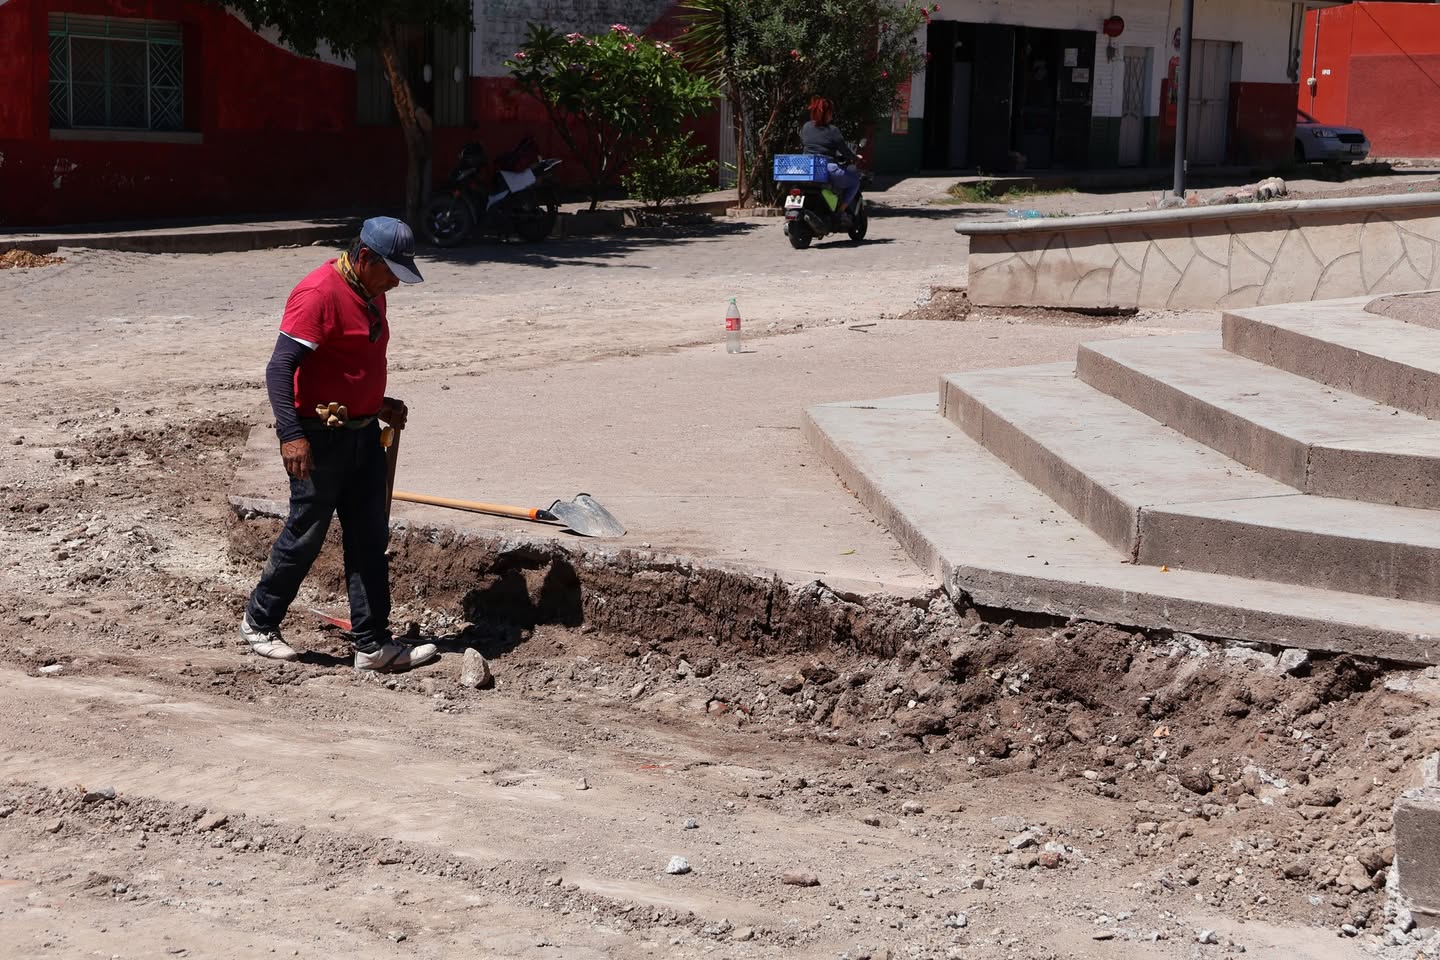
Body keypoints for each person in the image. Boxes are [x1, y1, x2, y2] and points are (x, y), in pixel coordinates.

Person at [239, 216, 439, 673]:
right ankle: (260, 620)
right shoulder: (318, 293)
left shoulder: (372, 292)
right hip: (318, 437)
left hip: (363, 432)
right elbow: (279, 368)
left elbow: (350, 361)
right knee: (306, 533)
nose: (395, 283)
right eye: (391, 271)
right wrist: (291, 435)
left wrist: (378, 403)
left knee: (370, 537)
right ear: (365, 257)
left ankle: (371, 644)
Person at [800, 96, 861, 224]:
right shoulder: (832, 130)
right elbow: (845, 151)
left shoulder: (806, 127)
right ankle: (840, 212)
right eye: (831, 112)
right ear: (827, 113)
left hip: (806, 169)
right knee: (855, 181)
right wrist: (856, 158)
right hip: (827, 168)